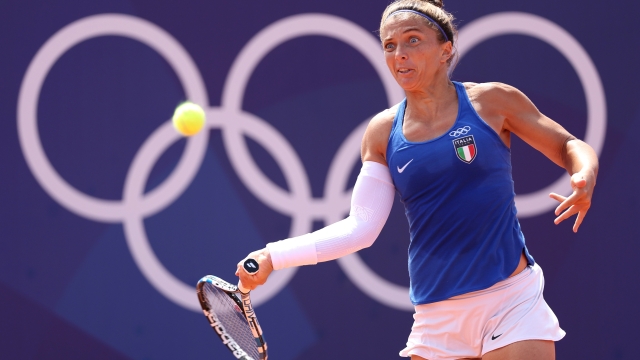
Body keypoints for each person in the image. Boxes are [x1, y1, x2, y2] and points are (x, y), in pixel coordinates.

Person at [236, 0, 598, 358]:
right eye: (390, 46)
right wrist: (274, 255)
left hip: (511, 302)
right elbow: (361, 227)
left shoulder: (492, 102)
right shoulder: (381, 133)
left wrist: (584, 174)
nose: (400, 55)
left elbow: (568, 145)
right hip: (436, 318)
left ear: (446, 50)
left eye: (413, 41)